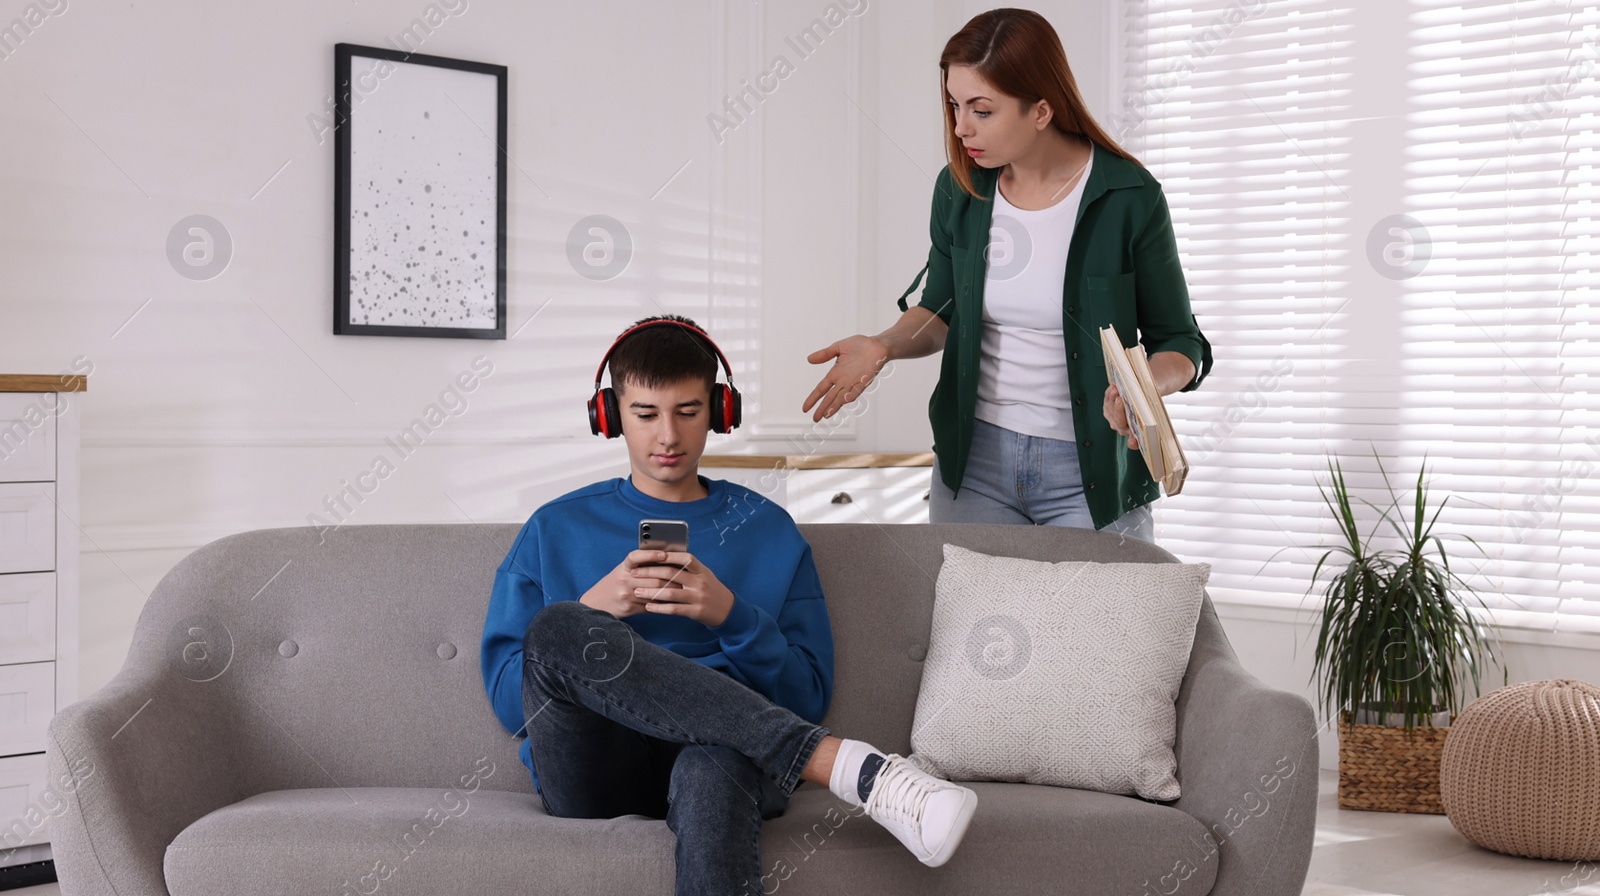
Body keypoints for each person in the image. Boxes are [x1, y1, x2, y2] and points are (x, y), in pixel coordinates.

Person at [480, 315, 979, 895]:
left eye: (688, 412)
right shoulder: (553, 528)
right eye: (645, 414)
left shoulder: (768, 531)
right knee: (559, 625)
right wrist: (597, 608)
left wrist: (731, 616)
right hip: (594, 768)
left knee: (711, 766)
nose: (667, 436)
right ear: (610, 415)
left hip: (724, 758)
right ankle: (849, 769)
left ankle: (838, 765)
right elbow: (515, 708)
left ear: (720, 411)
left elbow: (806, 696)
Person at [804, 8, 1213, 543]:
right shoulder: (960, 190)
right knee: (970, 626)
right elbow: (940, 311)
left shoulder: (1129, 197)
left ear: (1041, 110)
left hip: (1091, 473)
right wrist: (884, 345)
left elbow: (1181, 341)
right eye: (954, 105)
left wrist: (1144, 389)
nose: (960, 127)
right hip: (975, 469)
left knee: (1102, 625)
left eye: (982, 110)